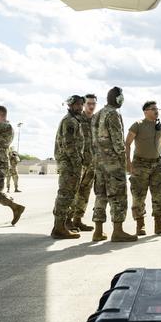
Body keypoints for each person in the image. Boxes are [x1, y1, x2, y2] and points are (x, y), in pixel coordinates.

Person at [91, 86, 137, 243]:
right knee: (118, 196)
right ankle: (118, 231)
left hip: (98, 162)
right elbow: (118, 143)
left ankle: (98, 231)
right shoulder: (113, 115)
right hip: (113, 163)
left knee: (100, 195)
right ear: (117, 99)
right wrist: (126, 163)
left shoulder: (97, 115)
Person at [126, 100, 161, 236]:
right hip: (140, 165)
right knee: (138, 195)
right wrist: (128, 161)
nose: (156, 111)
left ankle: (159, 225)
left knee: (159, 195)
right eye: (153, 109)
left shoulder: (160, 127)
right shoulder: (137, 125)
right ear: (145, 111)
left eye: (157, 108)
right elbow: (127, 143)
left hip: (156, 165)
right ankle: (140, 225)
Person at [51, 95, 85, 239]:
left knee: (68, 194)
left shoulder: (74, 120)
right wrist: (77, 164)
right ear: (71, 105)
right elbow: (69, 145)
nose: (80, 107)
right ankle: (59, 228)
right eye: (77, 105)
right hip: (69, 164)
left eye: (81, 105)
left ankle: (61, 226)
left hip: (70, 163)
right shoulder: (70, 121)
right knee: (65, 194)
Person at [70, 93, 98, 232]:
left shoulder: (96, 120)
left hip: (91, 162)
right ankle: (67, 221)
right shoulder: (76, 119)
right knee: (73, 191)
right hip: (78, 162)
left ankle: (78, 220)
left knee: (85, 193)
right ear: (83, 104)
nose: (91, 106)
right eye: (89, 103)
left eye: (93, 104)